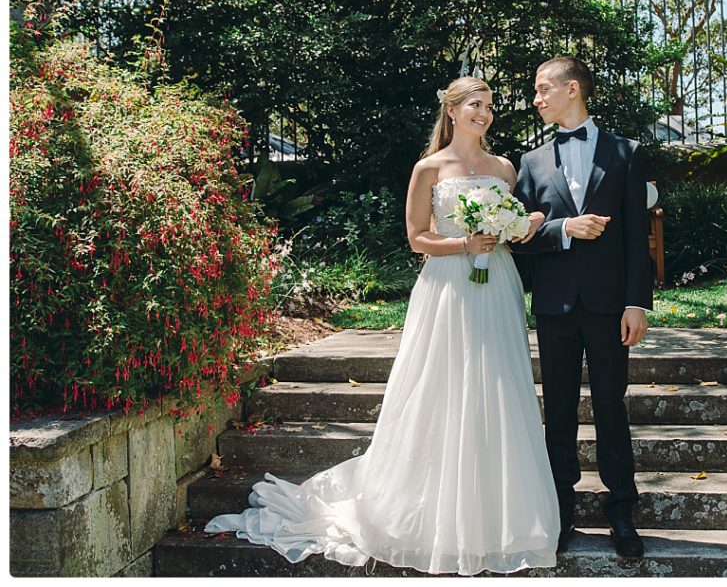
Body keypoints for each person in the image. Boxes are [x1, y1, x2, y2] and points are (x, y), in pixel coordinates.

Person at [205, 76, 559, 575]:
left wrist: (522, 226)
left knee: (498, 388)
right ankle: (428, 514)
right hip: (448, 287)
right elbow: (417, 238)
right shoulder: (429, 168)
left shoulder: (504, 167)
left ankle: (495, 517)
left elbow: (513, 228)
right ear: (453, 111)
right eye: (476, 105)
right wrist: (464, 245)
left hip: (497, 284)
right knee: (442, 387)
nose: (485, 114)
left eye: (490, 106)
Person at [512, 57, 652, 559]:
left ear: (573, 89)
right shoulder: (530, 163)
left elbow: (637, 236)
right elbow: (517, 238)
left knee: (612, 406)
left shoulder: (626, 152)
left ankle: (621, 508)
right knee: (561, 411)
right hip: (555, 306)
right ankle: (560, 507)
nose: (536, 99)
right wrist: (562, 230)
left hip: (611, 305)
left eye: (542, 89)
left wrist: (637, 303)